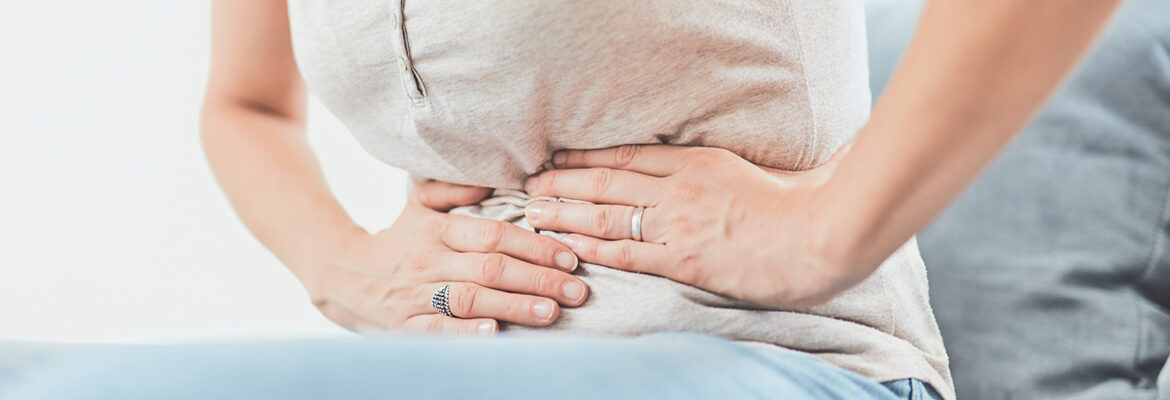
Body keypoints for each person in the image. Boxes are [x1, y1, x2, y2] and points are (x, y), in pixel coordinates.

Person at [1, 1, 1118, 399]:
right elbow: (243, 102)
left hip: (770, 358)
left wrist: (825, 229)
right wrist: (340, 262)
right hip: (448, 369)